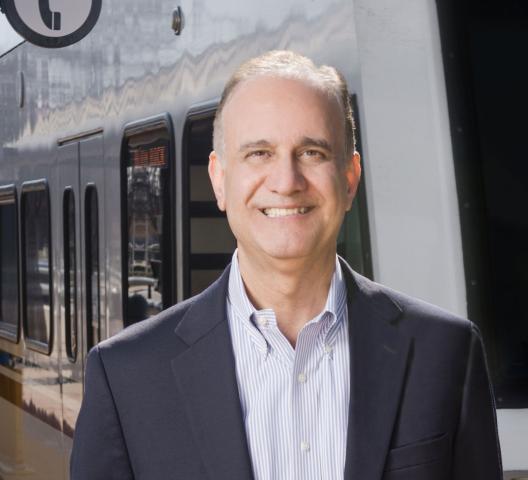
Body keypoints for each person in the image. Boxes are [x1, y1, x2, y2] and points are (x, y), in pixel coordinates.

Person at [70, 51, 502, 480]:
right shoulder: (126, 377)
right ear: (219, 180)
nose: (286, 182)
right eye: (259, 153)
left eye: (312, 152)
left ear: (349, 179)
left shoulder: (446, 353)